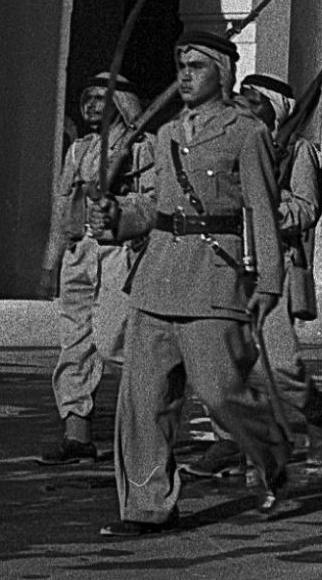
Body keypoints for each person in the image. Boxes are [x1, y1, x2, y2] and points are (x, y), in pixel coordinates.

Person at [87, 29, 289, 535]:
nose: (184, 75)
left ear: (222, 72)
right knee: (144, 401)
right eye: (180, 65)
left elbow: (262, 210)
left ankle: (269, 448)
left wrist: (268, 282)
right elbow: (153, 207)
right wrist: (114, 215)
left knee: (222, 394)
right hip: (156, 278)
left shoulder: (247, 133)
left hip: (213, 277)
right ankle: (148, 506)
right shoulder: (167, 135)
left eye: (195, 66)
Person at [182, 73, 322, 477]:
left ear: (273, 110)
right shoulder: (227, 142)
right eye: (240, 98)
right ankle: (228, 440)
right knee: (221, 357)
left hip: (272, 263)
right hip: (224, 259)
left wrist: (265, 203)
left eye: (252, 101)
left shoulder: (297, 152)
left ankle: (315, 409)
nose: (241, 104)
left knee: (280, 363)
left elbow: (306, 209)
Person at [37, 73, 149, 464]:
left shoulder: (143, 150)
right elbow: (62, 204)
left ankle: (149, 426)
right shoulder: (78, 150)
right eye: (89, 97)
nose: (93, 105)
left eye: (103, 98)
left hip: (118, 252)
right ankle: (76, 435)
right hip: (79, 253)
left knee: (113, 339)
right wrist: (52, 261)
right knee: (75, 344)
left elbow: (151, 204)